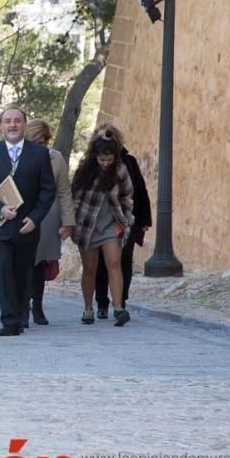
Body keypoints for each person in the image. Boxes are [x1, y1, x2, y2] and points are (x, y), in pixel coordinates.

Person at [0, 107, 55, 337]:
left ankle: (21, 314)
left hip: (27, 225)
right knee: (4, 270)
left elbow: (48, 190)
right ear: (1, 126)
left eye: (17, 121)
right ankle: (9, 320)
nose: (12, 125)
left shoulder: (39, 154)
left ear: (24, 125)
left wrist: (35, 218)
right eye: (7, 121)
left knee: (22, 272)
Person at [71, 129, 134, 327]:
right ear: (95, 157)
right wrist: (71, 223)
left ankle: (118, 308)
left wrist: (126, 219)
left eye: (109, 160)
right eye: (102, 160)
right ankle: (88, 308)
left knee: (114, 264)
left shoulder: (121, 170)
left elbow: (127, 196)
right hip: (87, 225)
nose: (105, 163)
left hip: (111, 225)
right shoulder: (85, 171)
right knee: (90, 268)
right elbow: (74, 198)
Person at [93, 123, 151, 319]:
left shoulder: (129, 162)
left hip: (125, 221)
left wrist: (143, 220)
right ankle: (101, 301)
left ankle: (121, 301)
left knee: (124, 261)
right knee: (101, 263)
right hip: (98, 222)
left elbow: (140, 191)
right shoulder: (91, 163)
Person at [23, 120, 75, 327]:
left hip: (47, 215)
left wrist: (68, 221)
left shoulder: (56, 158)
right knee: (23, 262)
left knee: (40, 263)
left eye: (42, 142)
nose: (38, 145)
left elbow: (63, 191)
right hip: (22, 213)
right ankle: (22, 305)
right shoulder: (16, 157)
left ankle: (37, 305)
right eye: (34, 141)